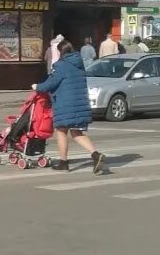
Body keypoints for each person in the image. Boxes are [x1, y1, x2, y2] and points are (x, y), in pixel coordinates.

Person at [33, 38, 107, 174]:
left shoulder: (61, 66)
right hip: (79, 104)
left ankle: (64, 162)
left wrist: (37, 87)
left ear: (61, 51)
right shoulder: (79, 64)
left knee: (61, 131)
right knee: (76, 132)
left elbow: (51, 83)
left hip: (65, 104)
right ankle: (96, 154)